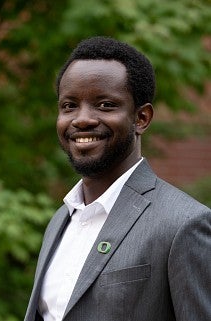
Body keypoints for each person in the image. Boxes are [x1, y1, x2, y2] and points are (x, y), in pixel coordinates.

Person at [24, 36, 211, 321]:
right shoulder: (60, 221)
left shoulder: (184, 225)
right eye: (69, 105)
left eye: (105, 105)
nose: (82, 119)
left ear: (141, 118)